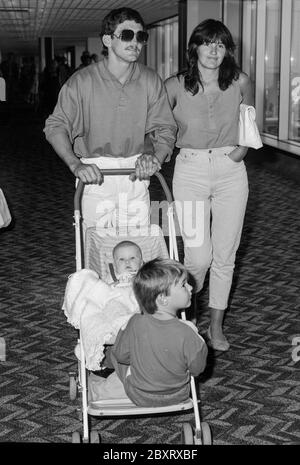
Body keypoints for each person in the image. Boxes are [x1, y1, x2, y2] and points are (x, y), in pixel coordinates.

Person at [164, 19, 254, 351]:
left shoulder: (241, 81)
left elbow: (249, 120)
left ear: (227, 50)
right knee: (199, 257)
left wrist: (241, 150)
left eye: (220, 44)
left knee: (226, 255)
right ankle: (184, 311)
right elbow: (158, 125)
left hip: (231, 170)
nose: (213, 51)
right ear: (195, 48)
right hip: (190, 168)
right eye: (207, 43)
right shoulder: (174, 85)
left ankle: (215, 326)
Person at [44, 7, 176, 231]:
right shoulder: (82, 81)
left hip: (136, 171)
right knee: (97, 247)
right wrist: (75, 165)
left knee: (136, 248)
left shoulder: (150, 80)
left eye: (140, 36)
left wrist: (155, 157)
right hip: (96, 173)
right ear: (107, 40)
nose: (135, 42)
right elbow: (56, 126)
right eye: (126, 35)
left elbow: (165, 128)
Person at [89, 258, 208, 406]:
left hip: (139, 394)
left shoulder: (134, 323)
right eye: (184, 285)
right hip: (179, 395)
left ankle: (100, 382)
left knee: (116, 349)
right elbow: (197, 369)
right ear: (163, 299)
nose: (190, 288)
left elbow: (121, 356)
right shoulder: (189, 332)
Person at [63, 240, 143, 370]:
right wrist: (111, 287)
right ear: (114, 264)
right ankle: (94, 342)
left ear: (141, 261)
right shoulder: (110, 276)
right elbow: (102, 293)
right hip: (116, 301)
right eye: (121, 259)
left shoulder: (145, 275)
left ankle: (127, 327)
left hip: (136, 303)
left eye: (132, 258)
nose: (127, 262)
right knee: (110, 306)